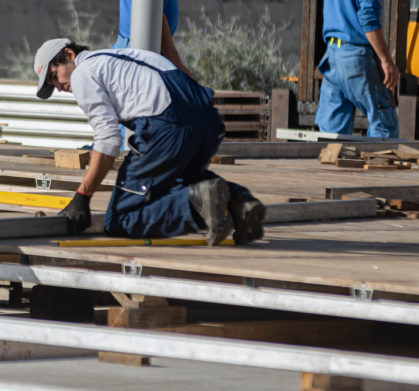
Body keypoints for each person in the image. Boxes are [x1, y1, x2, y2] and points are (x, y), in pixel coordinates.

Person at [33, 38, 265, 245]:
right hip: (205, 120)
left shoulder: (83, 74)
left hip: (167, 126)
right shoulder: (116, 58)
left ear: (69, 54)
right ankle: (241, 205)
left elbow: (108, 138)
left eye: (55, 76)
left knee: (119, 219)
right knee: (176, 184)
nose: (59, 87)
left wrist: (82, 196)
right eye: (53, 85)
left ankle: (196, 208)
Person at [315, 0, 401, 138]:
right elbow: (369, 18)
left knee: (331, 136)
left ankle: (332, 173)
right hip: (355, 59)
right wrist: (386, 60)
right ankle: (381, 172)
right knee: (385, 125)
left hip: (332, 58)